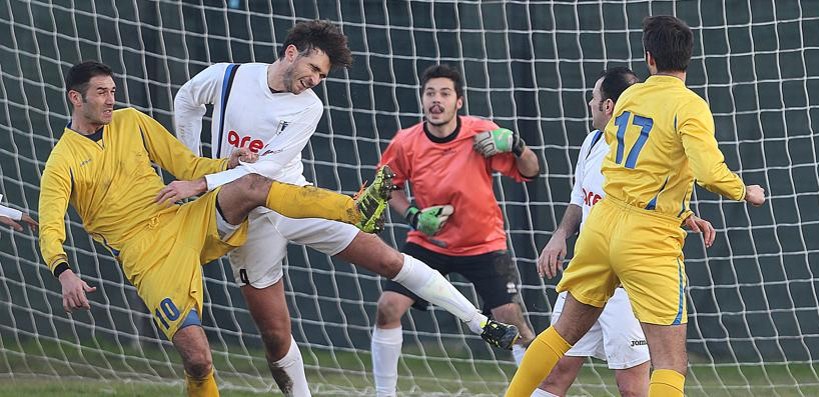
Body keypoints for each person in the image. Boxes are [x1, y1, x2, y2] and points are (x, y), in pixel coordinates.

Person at [171, 20, 520, 396]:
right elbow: (187, 100)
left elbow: (268, 168)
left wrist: (202, 180)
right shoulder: (227, 77)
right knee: (275, 335)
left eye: (322, 75)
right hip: (246, 221)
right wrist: (196, 165)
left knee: (387, 260)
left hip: (294, 203)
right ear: (291, 53)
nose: (316, 80)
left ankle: (479, 323)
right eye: (313, 69)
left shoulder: (309, 107)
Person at [39, 60, 394, 397]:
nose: (111, 100)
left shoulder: (130, 120)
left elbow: (185, 163)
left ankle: (352, 209)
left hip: (183, 218)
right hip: (147, 255)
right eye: (101, 92)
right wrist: (63, 271)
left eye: (113, 91)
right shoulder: (62, 161)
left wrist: (227, 163)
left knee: (252, 184)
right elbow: (50, 225)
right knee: (197, 359)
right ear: (76, 97)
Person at [505, 16, 766, 397]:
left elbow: (623, 154)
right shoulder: (690, 106)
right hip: (648, 236)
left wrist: (681, 209)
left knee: (560, 335)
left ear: (649, 58)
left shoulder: (630, 97)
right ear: (688, 59)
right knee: (670, 364)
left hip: (602, 224)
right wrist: (746, 191)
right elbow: (710, 173)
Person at [533, 67, 716, 397]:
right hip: (590, 265)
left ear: (608, 106)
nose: (589, 103)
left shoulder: (649, 144)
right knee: (554, 373)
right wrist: (560, 234)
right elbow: (581, 197)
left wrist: (684, 214)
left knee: (632, 386)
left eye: (593, 98)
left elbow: (654, 201)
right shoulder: (591, 141)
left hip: (626, 281)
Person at [370, 64, 540, 396]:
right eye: (430, 93)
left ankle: (539, 392)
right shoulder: (406, 142)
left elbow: (531, 171)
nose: (436, 100)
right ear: (422, 99)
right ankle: (383, 393)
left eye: (445, 93)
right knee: (387, 308)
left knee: (513, 321)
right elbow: (386, 186)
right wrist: (414, 217)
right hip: (428, 243)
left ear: (458, 101)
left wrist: (517, 145)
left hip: (484, 244)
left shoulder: (480, 134)